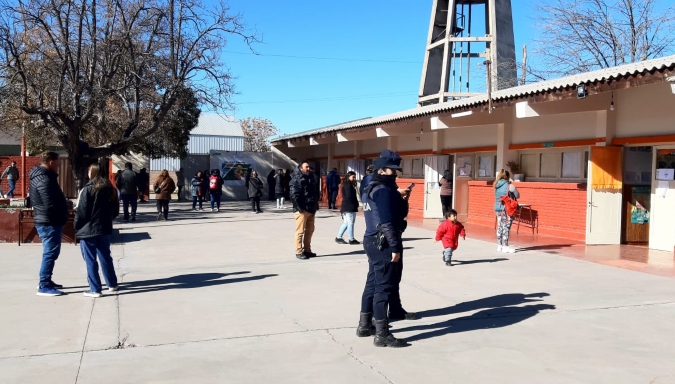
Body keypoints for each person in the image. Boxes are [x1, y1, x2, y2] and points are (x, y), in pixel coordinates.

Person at [357, 149, 412, 348]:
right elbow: (388, 222)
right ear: (382, 170)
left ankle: (364, 325)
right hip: (383, 242)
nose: (395, 174)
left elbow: (397, 213)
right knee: (383, 288)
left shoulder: (370, 186)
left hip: (372, 239)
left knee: (372, 283)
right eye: (392, 170)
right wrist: (396, 248)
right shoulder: (383, 190)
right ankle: (382, 334)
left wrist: (401, 198)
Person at [74, 163, 120, 297]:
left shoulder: (87, 189)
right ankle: (112, 283)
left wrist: (77, 227)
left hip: (88, 229)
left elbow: (81, 212)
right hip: (104, 228)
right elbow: (115, 211)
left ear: (92, 173)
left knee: (90, 259)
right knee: (105, 256)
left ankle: (95, 289)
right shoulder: (111, 189)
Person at [31, 151, 69, 297]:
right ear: (51, 162)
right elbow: (49, 203)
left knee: (51, 252)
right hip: (49, 221)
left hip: (49, 220)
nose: (60, 164)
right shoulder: (44, 179)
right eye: (58, 161)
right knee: (50, 253)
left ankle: (47, 280)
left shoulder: (45, 177)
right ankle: (44, 285)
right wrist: (61, 215)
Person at [290, 161, 318, 260]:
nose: (308, 168)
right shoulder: (296, 179)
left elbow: (314, 193)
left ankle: (307, 250)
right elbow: (294, 195)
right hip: (301, 209)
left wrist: (315, 206)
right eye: (306, 167)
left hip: (311, 209)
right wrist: (300, 208)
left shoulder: (311, 177)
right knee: (300, 231)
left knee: (310, 231)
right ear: (301, 168)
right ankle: (299, 251)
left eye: (309, 167)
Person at [494, 169, 520, 253]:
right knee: (506, 228)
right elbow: (518, 195)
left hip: (498, 208)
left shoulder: (496, 185)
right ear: (508, 177)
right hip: (507, 209)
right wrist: (511, 182)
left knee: (500, 227)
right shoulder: (510, 186)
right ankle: (505, 246)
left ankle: (499, 245)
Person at [335, 171, 360, 245]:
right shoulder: (348, 185)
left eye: (355, 177)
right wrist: (355, 204)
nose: (354, 178)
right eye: (353, 177)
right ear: (348, 177)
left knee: (346, 223)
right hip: (349, 207)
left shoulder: (347, 185)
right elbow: (349, 196)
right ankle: (351, 239)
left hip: (346, 206)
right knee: (350, 223)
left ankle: (338, 237)